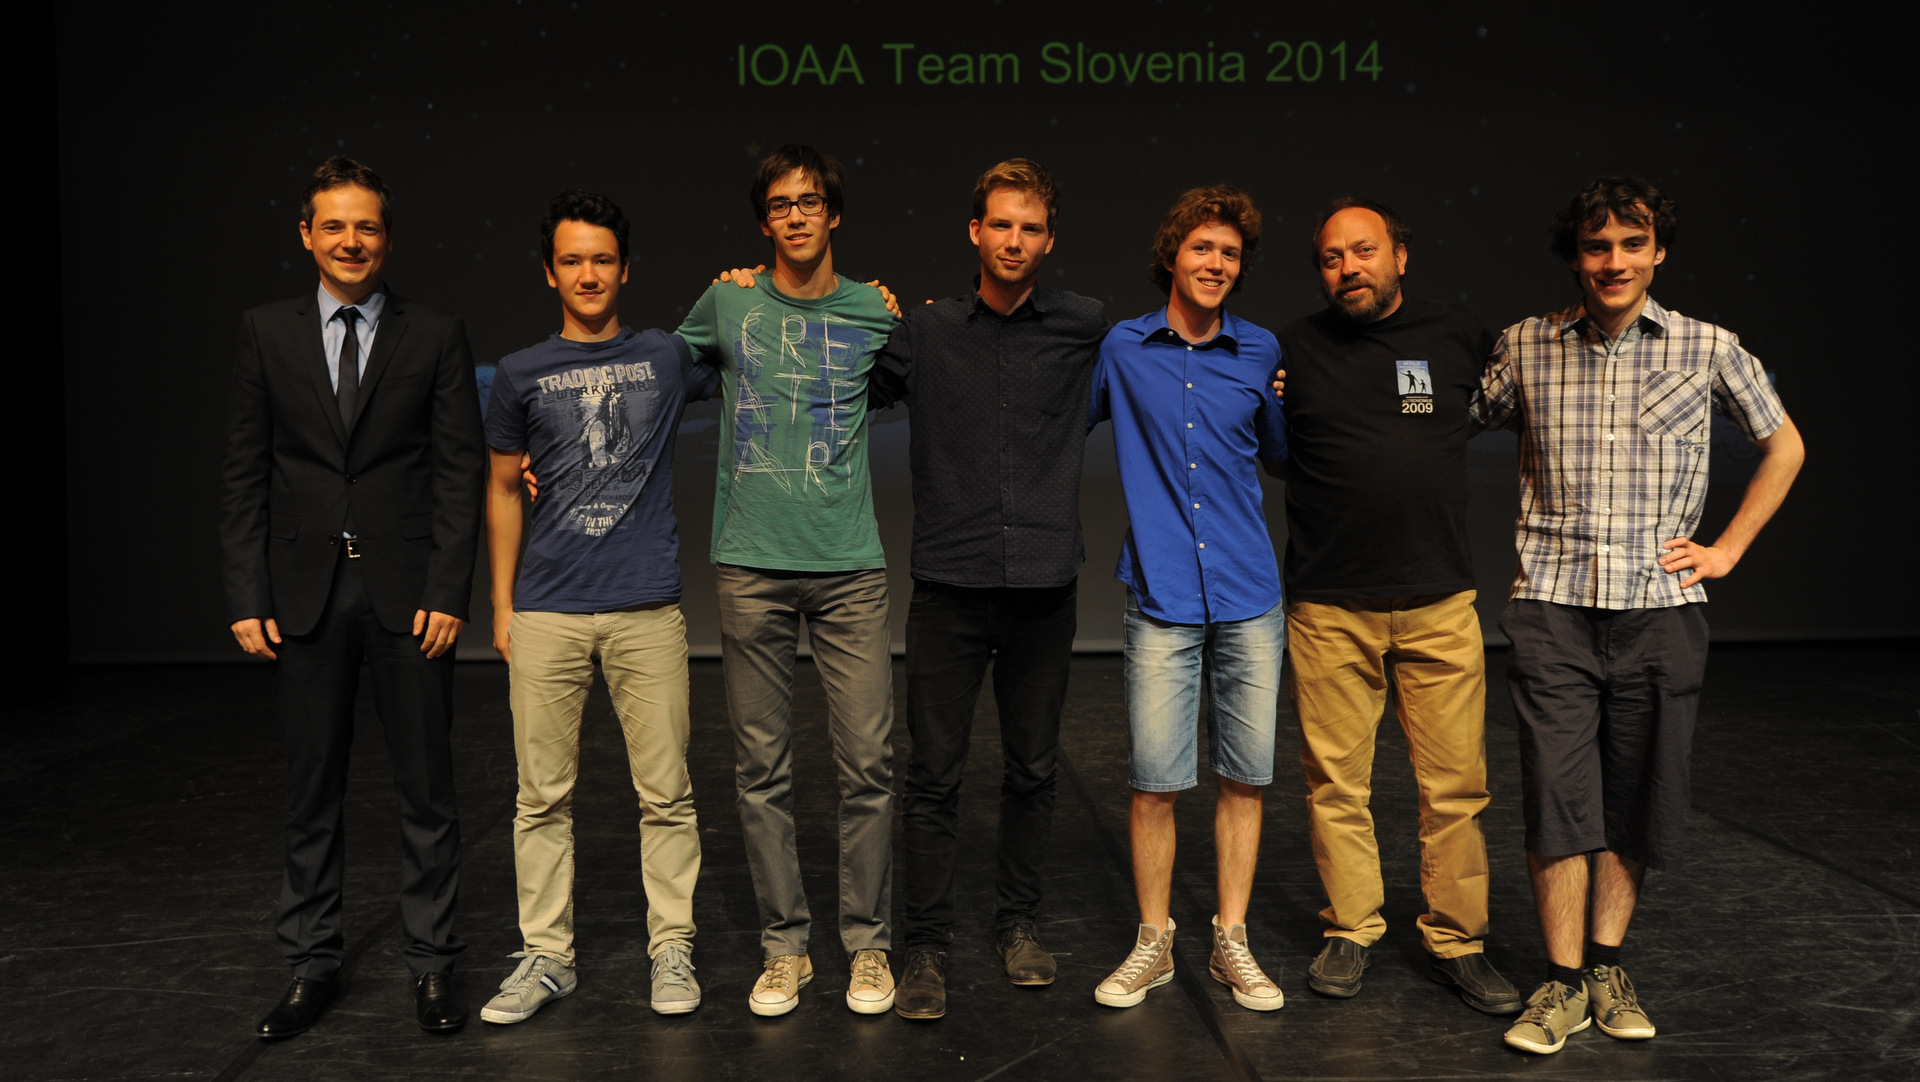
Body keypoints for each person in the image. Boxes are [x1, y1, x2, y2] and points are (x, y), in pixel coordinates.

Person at [1476, 177, 1804, 1054]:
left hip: (1660, 611)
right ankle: (1560, 982)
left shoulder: (1707, 346)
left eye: (1631, 243)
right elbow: (1439, 424)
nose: (1613, 261)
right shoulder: (1528, 344)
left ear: (1657, 251)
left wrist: (1726, 549)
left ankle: (1606, 965)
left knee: (1634, 800)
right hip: (1552, 605)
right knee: (1558, 800)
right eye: (1597, 245)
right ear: (1575, 257)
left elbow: (1784, 444)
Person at [221, 156, 484, 1037]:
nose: (351, 240)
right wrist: (246, 591)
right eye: (333, 225)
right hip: (302, 596)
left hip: (410, 598)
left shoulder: (434, 333)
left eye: (366, 225)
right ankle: (311, 966)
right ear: (306, 235)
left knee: (428, 791)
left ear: (388, 237)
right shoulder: (266, 331)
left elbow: (458, 472)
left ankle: (434, 964)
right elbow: (244, 472)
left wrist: (450, 588)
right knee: (311, 793)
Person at [866, 159, 1109, 1020]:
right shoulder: (926, 330)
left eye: (1030, 228)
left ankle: (1017, 924)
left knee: (1033, 769)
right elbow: (834, 383)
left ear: (1050, 240)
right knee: (932, 776)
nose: (1014, 240)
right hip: (951, 585)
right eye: (1000, 224)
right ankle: (926, 946)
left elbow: (1161, 373)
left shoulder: (1084, 326)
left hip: (1044, 584)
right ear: (975, 232)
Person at [1277, 198, 1521, 1015]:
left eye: (1364, 250)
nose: (1349, 268)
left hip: (1438, 599)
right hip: (1330, 603)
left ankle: (1458, 940)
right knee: (1335, 786)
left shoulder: (1459, 333)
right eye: (1332, 258)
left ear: (1400, 256)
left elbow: (1519, 400)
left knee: (1455, 788)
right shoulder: (1293, 348)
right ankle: (1351, 928)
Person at [674, 144, 902, 1016]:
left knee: (868, 765)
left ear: (833, 214)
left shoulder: (874, 311)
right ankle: (785, 948)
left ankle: (869, 945)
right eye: (780, 204)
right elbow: (654, 384)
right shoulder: (728, 302)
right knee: (760, 768)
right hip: (751, 565)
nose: (797, 215)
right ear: (763, 222)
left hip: (848, 568)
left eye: (810, 202)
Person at [479, 191, 716, 1025]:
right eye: (572, 260)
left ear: (626, 269)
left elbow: (752, 336)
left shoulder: (665, 357)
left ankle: (672, 947)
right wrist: (502, 604)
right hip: (547, 609)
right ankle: (547, 955)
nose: (588, 274)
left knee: (667, 794)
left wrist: (747, 281)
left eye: (603, 259)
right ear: (550, 273)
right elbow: (502, 489)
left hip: (646, 609)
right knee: (539, 798)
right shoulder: (520, 372)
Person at [1087, 185, 1289, 1012]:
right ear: (1172, 255)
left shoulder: (1260, 350)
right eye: (1203, 248)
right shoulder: (1123, 347)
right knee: (1155, 781)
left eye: (1230, 254)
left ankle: (1231, 941)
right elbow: (1059, 422)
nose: (1216, 263)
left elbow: (1279, 454)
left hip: (1250, 594)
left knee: (1245, 777)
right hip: (1162, 594)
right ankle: (1154, 942)